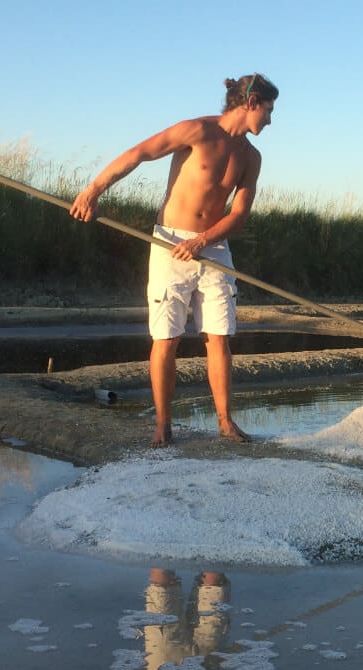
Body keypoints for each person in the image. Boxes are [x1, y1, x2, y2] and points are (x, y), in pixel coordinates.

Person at [70, 73, 278, 446]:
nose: (269, 119)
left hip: (211, 246)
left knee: (219, 337)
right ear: (250, 104)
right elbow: (139, 154)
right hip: (171, 243)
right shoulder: (196, 130)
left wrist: (203, 240)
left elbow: (240, 213)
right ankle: (163, 426)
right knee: (167, 337)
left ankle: (225, 422)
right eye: (268, 110)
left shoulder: (251, 157)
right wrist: (92, 191)